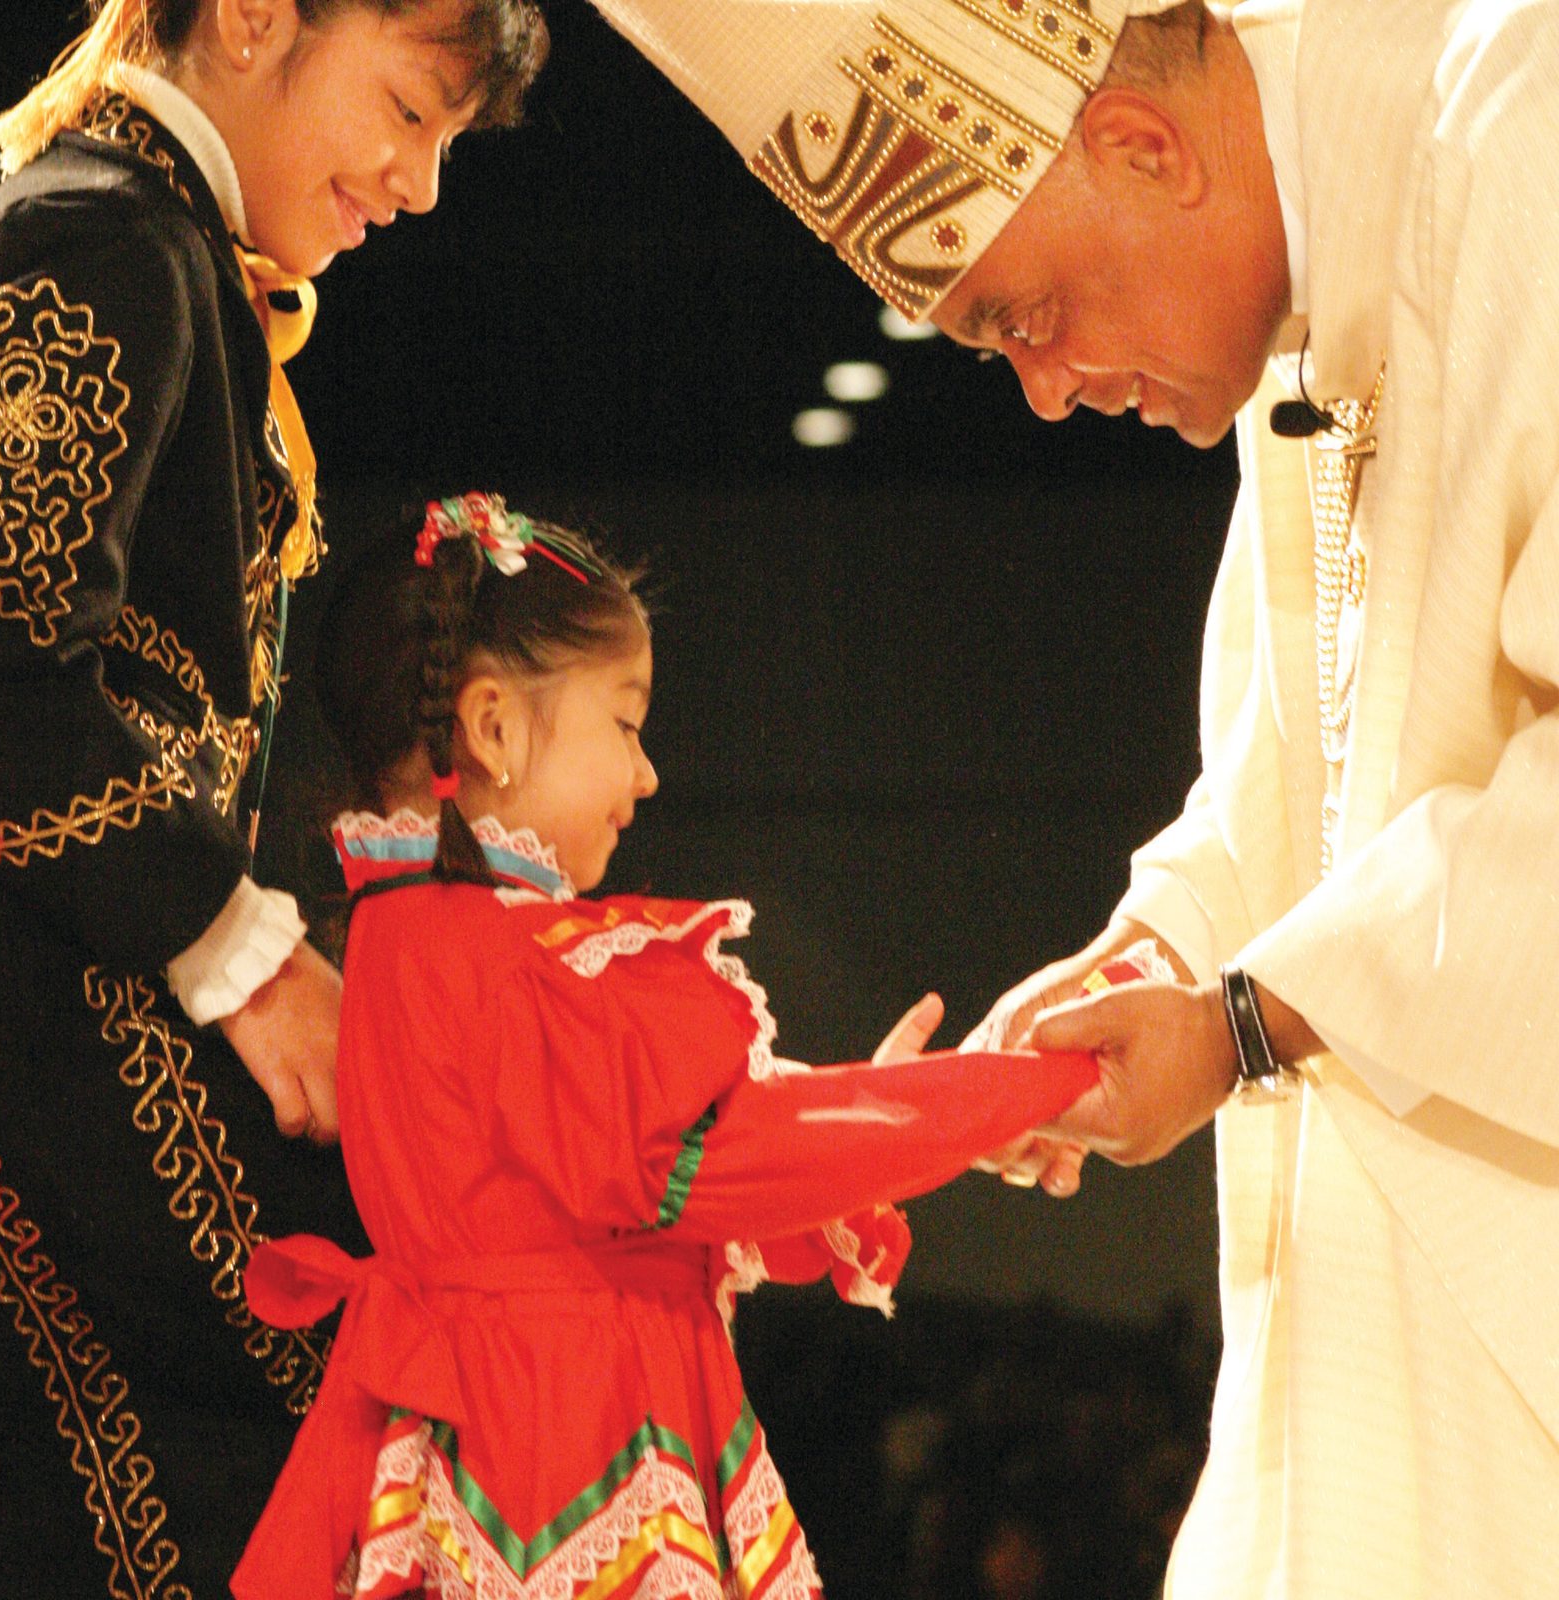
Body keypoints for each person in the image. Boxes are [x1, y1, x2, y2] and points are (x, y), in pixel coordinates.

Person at [581, 0, 1559, 1593]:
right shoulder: (1304, 302)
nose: (1041, 393)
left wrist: (1246, 1021)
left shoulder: (1530, 130)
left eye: (1025, 315)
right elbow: (1296, 784)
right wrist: (1164, 956)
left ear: (1143, 146)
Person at [229, 493, 1102, 1598]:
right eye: (626, 725)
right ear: (492, 728)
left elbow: (649, 1175)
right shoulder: (520, 965)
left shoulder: (407, 935)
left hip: (474, 1416)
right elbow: (712, 1159)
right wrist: (1011, 1090)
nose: (645, 777)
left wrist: (897, 1119)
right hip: (562, 1433)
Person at [0, 0, 543, 1592]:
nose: (418, 185)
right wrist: (254, 961)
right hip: (37, 1075)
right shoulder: (96, 240)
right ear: (254, 17)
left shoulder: (165, 254)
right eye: (412, 109)